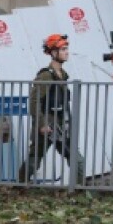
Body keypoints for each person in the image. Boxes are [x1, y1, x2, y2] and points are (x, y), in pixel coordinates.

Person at [18, 34, 84, 184]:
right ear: (54, 53)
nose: (67, 52)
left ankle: (80, 191)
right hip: (47, 125)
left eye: (67, 49)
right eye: (63, 49)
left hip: (61, 125)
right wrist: (42, 124)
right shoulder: (46, 76)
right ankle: (19, 185)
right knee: (34, 160)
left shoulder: (63, 75)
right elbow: (34, 101)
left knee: (77, 160)